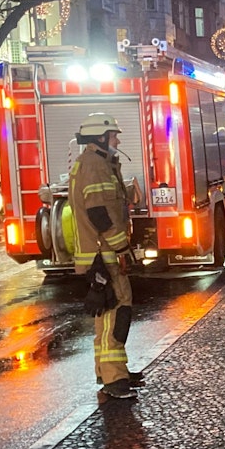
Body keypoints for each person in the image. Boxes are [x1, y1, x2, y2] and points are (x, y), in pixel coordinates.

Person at [69, 113, 137, 400]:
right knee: (117, 311)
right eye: (113, 136)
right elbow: (99, 213)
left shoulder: (92, 163)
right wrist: (122, 247)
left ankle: (109, 370)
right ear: (100, 138)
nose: (117, 140)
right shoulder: (95, 167)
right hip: (105, 253)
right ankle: (115, 378)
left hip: (99, 252)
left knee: (105, 315)